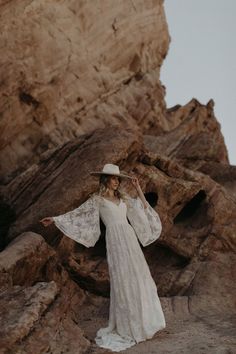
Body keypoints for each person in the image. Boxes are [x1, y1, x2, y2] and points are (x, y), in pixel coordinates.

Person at [40, 163, 166, 352]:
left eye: (118, 179)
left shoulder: (123, 198)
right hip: (115, 240)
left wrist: (138, 188)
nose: (117, 182)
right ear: (106, 179)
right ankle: (128, 326)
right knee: (123, 280)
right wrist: (56, 219)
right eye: (114, 178)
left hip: (129, 238)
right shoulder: (97, 199)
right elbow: (79, 214)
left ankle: (145, 320)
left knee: (138, 277)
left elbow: (143, 208)